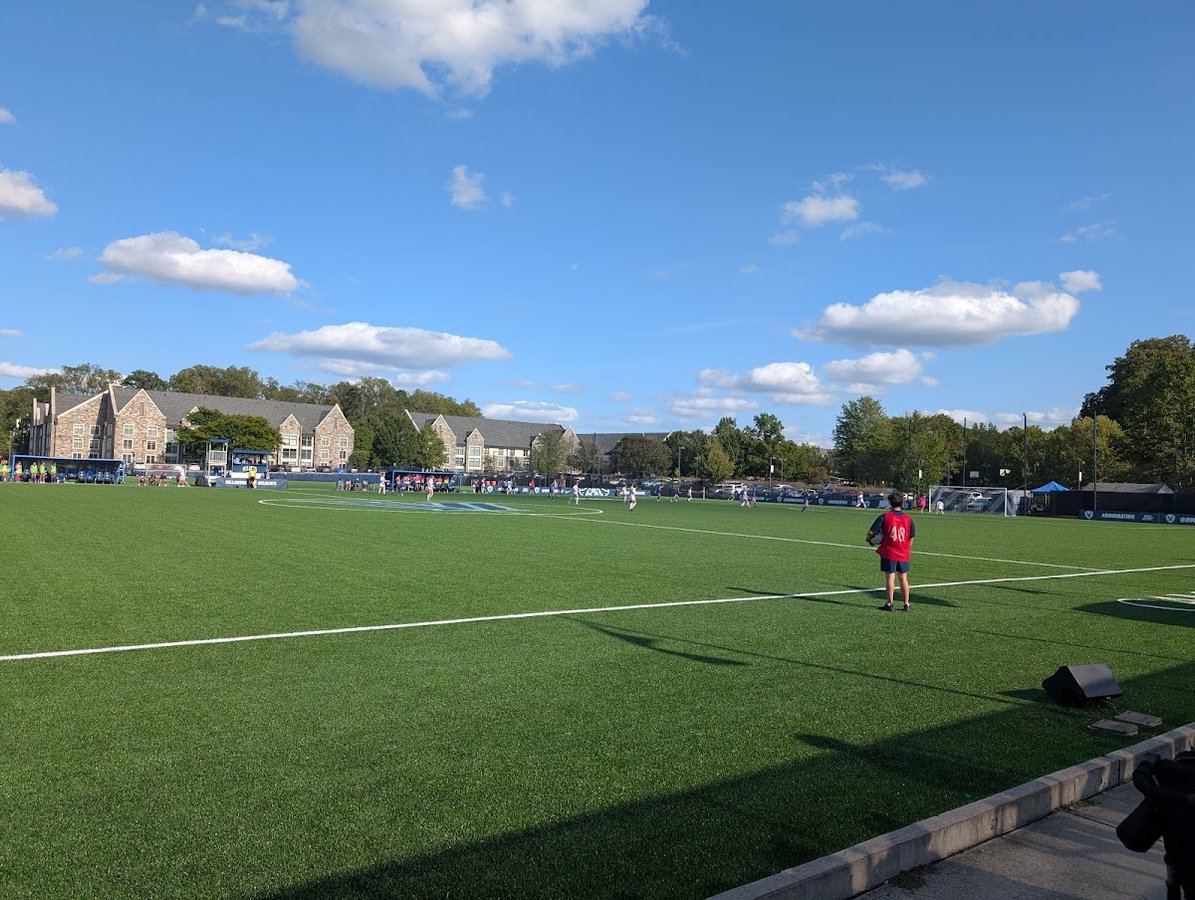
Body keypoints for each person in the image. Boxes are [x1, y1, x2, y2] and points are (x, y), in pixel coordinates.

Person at [867, 490, 915, 612]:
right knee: (903, 577)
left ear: (890, 502)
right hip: (903, 551)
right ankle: (906, 604)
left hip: (889, 551)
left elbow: (871, 532)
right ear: (903, 502)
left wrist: (870, 540)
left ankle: (890, 604)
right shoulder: (908, 519)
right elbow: (911, 538)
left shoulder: (884, 517)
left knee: (890, 577)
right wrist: (906, 549)